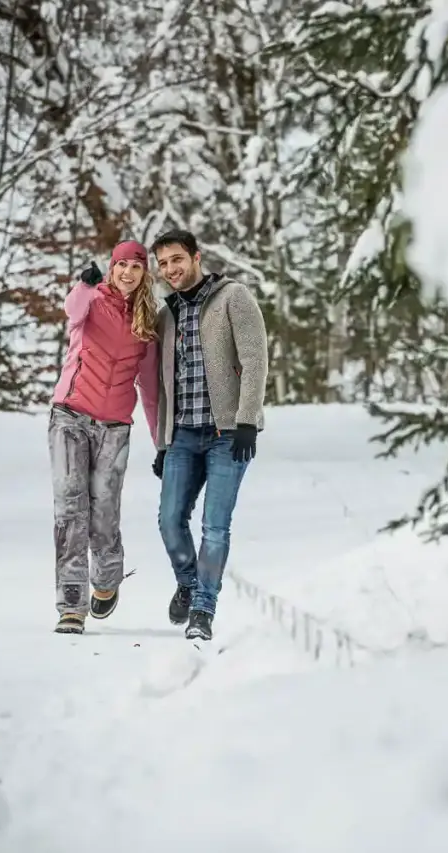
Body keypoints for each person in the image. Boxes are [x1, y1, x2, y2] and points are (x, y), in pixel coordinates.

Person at [150, 228, 268, 641]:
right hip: (183, 435)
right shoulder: (167, 315)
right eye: (163, 264)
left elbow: (255, 359)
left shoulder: (234, 297)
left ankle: (203, 608)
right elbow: (164, 383)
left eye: (177, 260)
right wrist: (163, 443)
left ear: (196, 257)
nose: (170, 269)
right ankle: (188, 582)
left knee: (215, 527)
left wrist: (247, 420)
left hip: (227, 434)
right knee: (169, 521)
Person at [49, 241, 160, 635]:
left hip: (114, 427)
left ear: (144, 273)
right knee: (70, 509)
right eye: (121, 265)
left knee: (104, 510)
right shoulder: (91, 301)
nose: (127, 273)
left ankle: (108, 576)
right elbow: (71, 309)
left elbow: (150, 389)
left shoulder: (147, 323)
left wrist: (161, 443)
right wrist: (84, 285)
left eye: (136, 266)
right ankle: (71, 604)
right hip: (70, 417)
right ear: (112, 269)